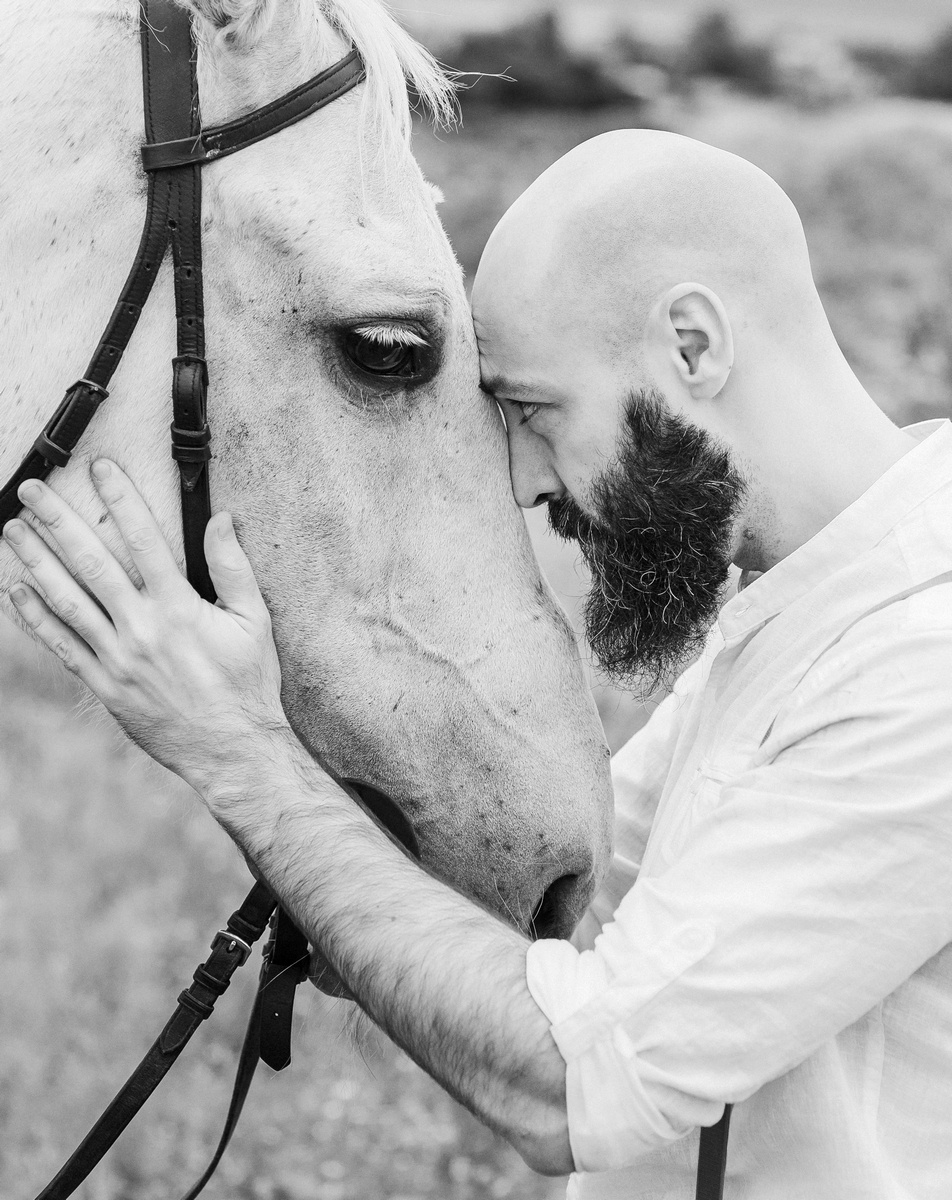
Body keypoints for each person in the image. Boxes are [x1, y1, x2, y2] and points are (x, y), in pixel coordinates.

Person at [4, 130, 952, 1200]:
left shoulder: (922, 663)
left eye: (535, 412)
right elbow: (544, 940)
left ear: (691, 347)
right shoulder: (799, 614)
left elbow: (570, 1076)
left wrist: (234, 750)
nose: (519, 479)